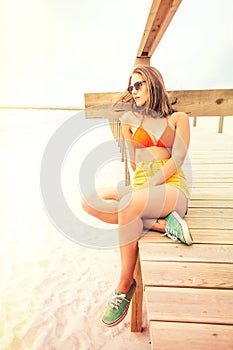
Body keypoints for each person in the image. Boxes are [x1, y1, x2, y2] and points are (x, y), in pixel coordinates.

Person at [82, 64, 193, 327]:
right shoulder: (128, 124)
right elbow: (135, 164)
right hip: (141, 190)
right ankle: (163, 224)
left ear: (153, 83)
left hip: (171, 189)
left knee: (128, 207)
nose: (133, 91)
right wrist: (140, 186)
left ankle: (124, 285)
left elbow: (176, 158)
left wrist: (150, 182)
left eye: (138, 84)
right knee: (89, 200)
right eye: (130, 87)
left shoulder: (178, 119)